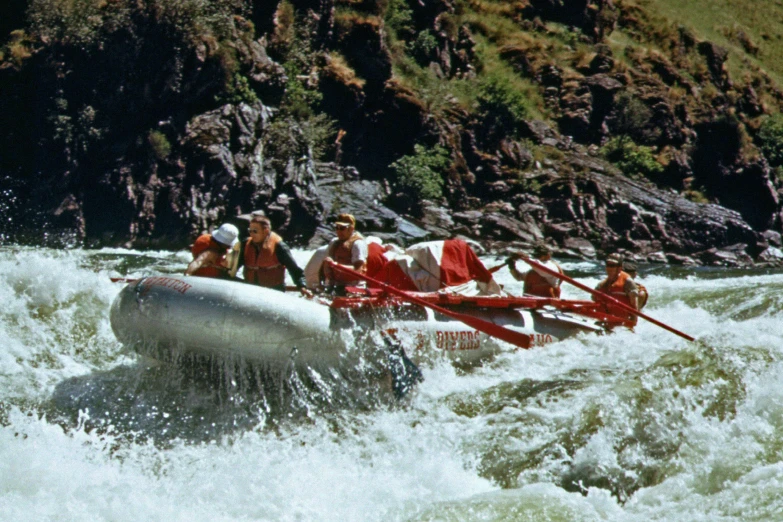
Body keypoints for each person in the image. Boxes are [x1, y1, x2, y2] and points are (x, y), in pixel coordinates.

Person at [238, 215, 311, 296]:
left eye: (255, 231)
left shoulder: (279, 247)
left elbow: (295, 270)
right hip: (250, 289)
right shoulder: (245, 244)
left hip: (273, 291)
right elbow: (236, 265)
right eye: (250, 231)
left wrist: (302, 286)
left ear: (265, 231)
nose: (251, 234)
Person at [322, 213, 368, 294]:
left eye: (342, 228)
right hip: (336, 286)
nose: (338, 231)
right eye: (337, 227)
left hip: (354, 287)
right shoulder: (334, 242)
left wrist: (336, 265)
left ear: (351, 229)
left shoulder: (358, 244)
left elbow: (358, 271)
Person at [594, 253, 640, 322]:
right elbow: (594, 300)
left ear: (619, 267)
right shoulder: (601, 285)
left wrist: (632, 325)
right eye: (608, 265)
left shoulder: (628, 282)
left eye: (612, 265)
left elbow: (634, 307)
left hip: (622, 322)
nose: (609, 268)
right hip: (604, 321)